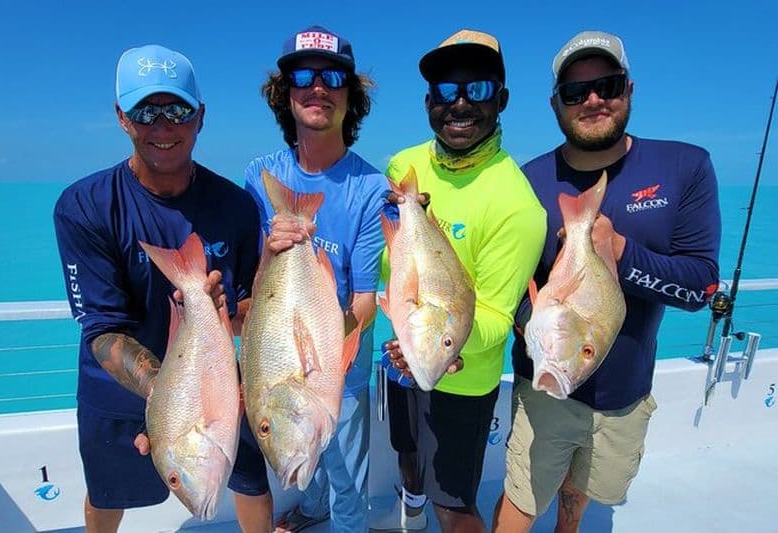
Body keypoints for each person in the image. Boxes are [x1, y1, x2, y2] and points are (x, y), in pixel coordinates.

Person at [53, 44, 299, 532]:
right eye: (146, 110)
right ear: (122, 117)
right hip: (119, 390)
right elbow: (101, 330)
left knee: (250, 479)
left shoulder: (235, 205)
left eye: (177, 109)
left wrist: (240, 307)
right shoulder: (84, 206)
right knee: (108, 494)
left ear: (200, 117)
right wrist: (166, 397)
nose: (162, 126)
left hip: (220, 383)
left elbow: (252, 307)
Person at [493, 30, 722, 532]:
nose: (593, 99)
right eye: (576, 92)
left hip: (625, 395)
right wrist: (527, 319)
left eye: (608, 84)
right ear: (556, 103)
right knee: (522, 493)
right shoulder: (526, 180)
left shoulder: (685, 166)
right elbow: (505, 284)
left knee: (587, 488)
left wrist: (622, 254)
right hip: (545, 384)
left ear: (630, 89)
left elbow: (702, 287)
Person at [370, 29, 546, 533]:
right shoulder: (404, 167)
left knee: (454, 501)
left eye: (479, 90)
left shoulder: (517, 205)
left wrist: (443, 347)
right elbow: (383, 268)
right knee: (407, 457)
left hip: (462, 377)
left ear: (503, 100)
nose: (460, 104)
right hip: (402, 354)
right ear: (429, 102)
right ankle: (412, 516)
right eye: (447, 92)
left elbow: (494, 316)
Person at [234, 25, 388, 533]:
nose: (317, 86)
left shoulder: (371, 189)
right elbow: (253, 291)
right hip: (277, 358)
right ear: (286, 94)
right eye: (303, 75)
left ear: (351, 95)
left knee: (349, 479)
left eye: (333, 77)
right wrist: (271, 250)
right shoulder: (261, 176)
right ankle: (313, 506)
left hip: (340, 366)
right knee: (310, 457)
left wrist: (327, 357)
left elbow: (365, 299)